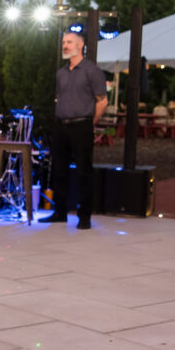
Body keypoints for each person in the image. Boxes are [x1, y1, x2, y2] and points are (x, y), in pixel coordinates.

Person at [39, 30, 107, 230]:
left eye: (69, 42)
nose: (65, 46)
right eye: (64, 42)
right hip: (61, 125)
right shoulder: (61, 73)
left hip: (82, 125)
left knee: (84, 171)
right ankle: (60, 212)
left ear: (80, 45)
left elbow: (102, 101)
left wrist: (91, 123)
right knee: (59, 171)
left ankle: (84, 216)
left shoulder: (92, 71)